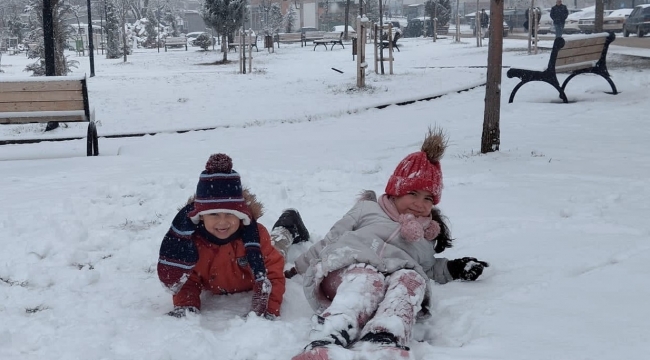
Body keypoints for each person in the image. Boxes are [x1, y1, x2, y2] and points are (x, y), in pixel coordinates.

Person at [287, 128, 489, 360]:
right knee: (366, 276)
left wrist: (453, 269)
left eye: (428, 199)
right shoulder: (367, 209)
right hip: (345, 273)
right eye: (413, 193)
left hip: (388, 287)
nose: (419, 204)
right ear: (395, 191)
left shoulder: (423, 237)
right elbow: (331, 239)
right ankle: (330, 336)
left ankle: (386, 339)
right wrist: (299, 267)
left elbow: (428, 268)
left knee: (412, 279)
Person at [157, 153, 309, 319]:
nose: (222, 222)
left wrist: (268, 309)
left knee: (277, 249)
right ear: (201, 216)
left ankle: (288, 225)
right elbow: (188, 280)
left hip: (258, 255)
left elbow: (272, 275)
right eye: (213, 214)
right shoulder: (192, 243)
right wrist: (186, 305)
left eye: (230, 214)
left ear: (241, 215)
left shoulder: (256, 237)